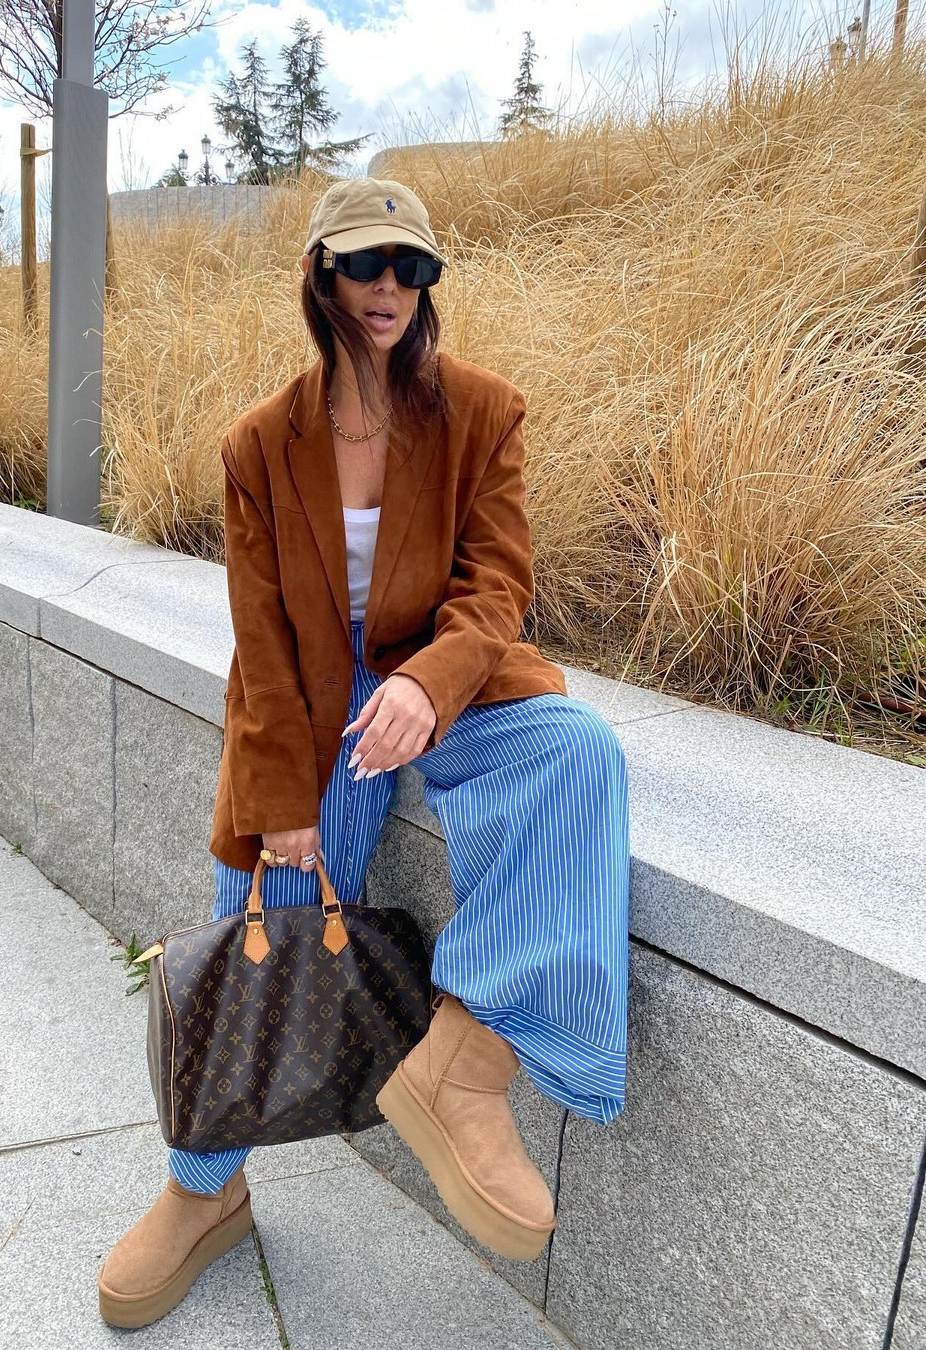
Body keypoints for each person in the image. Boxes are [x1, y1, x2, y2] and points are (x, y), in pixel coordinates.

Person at [97, 177, 630, 1330]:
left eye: (412, 267)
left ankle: (467, 1059)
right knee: (268, 893)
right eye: (365, 263)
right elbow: (262, 642)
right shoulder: (258, 444)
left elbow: (498, 583)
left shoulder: (482, 412)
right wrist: (281, 795)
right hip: (311, 691)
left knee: (580, 756)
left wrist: (430, 684)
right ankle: (205, 1186)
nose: (389, 286)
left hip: (450, 670)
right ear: (319, 275)